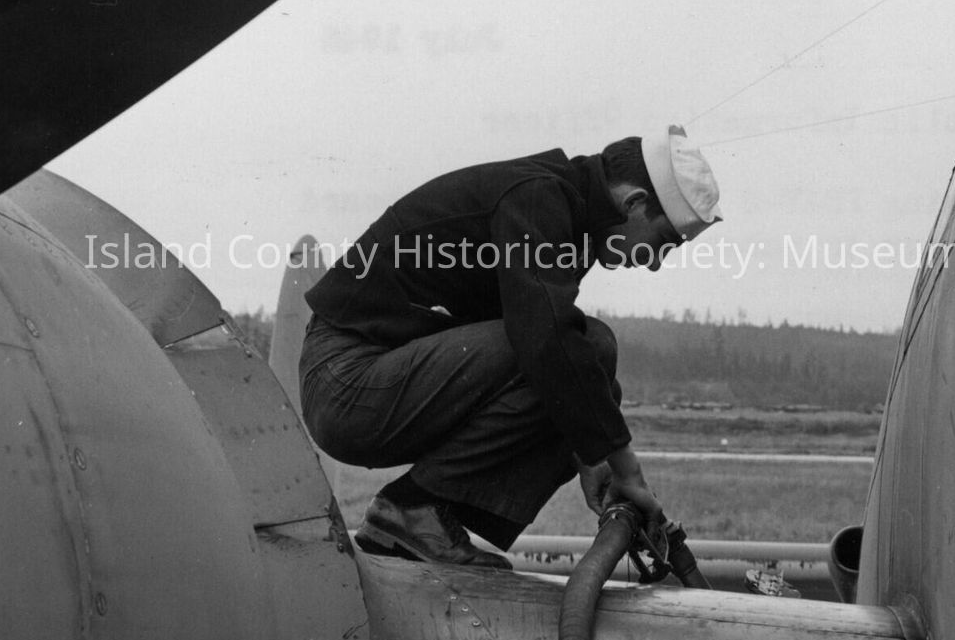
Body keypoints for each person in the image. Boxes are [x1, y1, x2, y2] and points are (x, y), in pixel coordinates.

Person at [299, 127, 721, 568]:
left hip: (370, 384)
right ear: (633, 202)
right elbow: (548, 342)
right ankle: (411, 508)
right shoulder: (539, 197)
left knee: (591, 378)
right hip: (346, 381)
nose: (654, 263)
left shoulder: (564, 213)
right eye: (662, 242)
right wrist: (625, 469)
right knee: (589, 348)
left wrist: (589, 454)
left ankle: (422, 514)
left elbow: (552, 356)